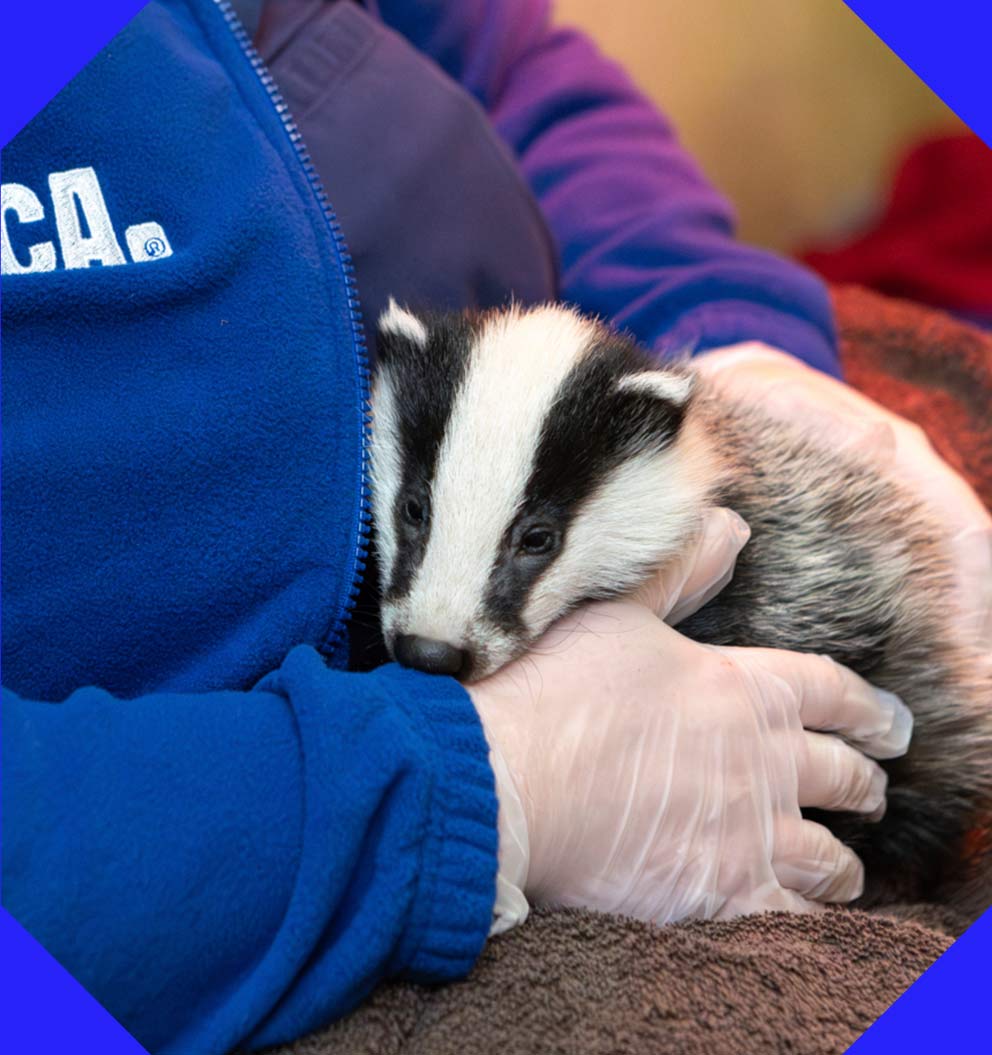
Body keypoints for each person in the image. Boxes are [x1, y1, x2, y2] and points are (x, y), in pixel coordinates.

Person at [2, 2, 988, 1053]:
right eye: (417, 522)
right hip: (243, 859)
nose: (436, 628)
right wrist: (491, 780)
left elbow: (502, 60)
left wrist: (730, 325)